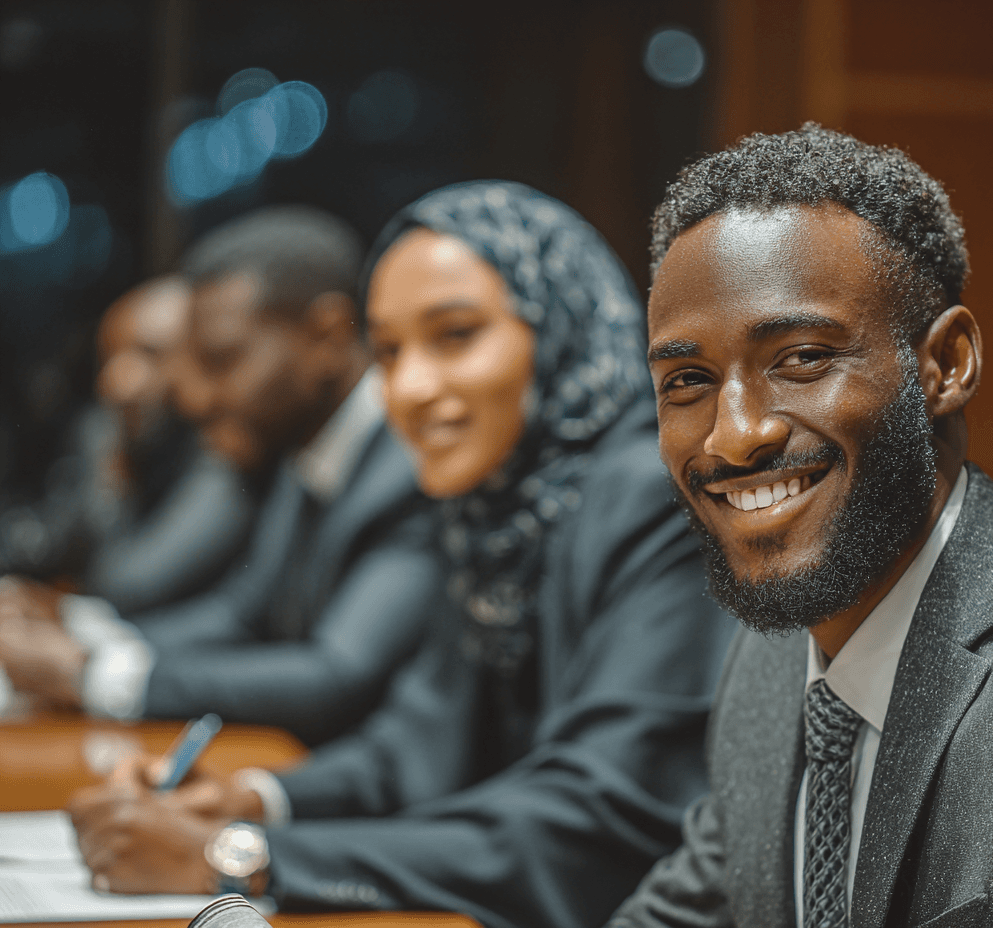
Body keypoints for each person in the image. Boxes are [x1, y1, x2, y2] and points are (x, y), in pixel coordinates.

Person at [604, 125, 993, 927]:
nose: (734, 434)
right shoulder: (769, 666)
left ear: (946, 364)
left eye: (800, 358)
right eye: (687, 380)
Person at [68, 181, 737, 928]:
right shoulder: (495, 505)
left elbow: (591, 822)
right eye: (388, 351)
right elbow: (413, 744)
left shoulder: (652, 495)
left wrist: (241, 855)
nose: (411, 387)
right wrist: (254, 796)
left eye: (454, 335)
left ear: (555, 327)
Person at [0, 206, 436, 746]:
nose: (199, 398)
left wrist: (99, 675)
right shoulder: (306, 447)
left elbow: (337, 673)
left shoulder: (413, 463)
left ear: (326, 337)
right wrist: (84, 643)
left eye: (223, 361)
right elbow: (242, 614)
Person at [0, 276, 259, 614]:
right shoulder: (111, 434)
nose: (117, 381)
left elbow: (129, 584)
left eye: (149, 354)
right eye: (108, 357)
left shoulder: (225, 440)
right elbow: (56, 534)